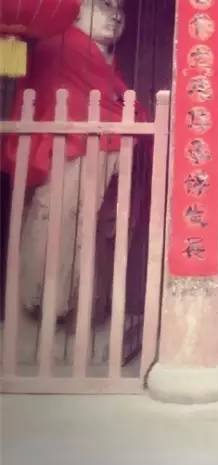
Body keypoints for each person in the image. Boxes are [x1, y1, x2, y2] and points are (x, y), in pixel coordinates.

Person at [2, 0, 146, 322]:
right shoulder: (58, 46)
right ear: (77, 9)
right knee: (59, 222)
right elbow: (72, 102)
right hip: (67, 149)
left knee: (95, 232)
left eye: (120, 7)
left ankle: (82, 308)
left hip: (104, 149)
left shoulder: (105, 57)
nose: (116, 15)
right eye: (105, 4)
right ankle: (44, 304)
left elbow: (117, 101)